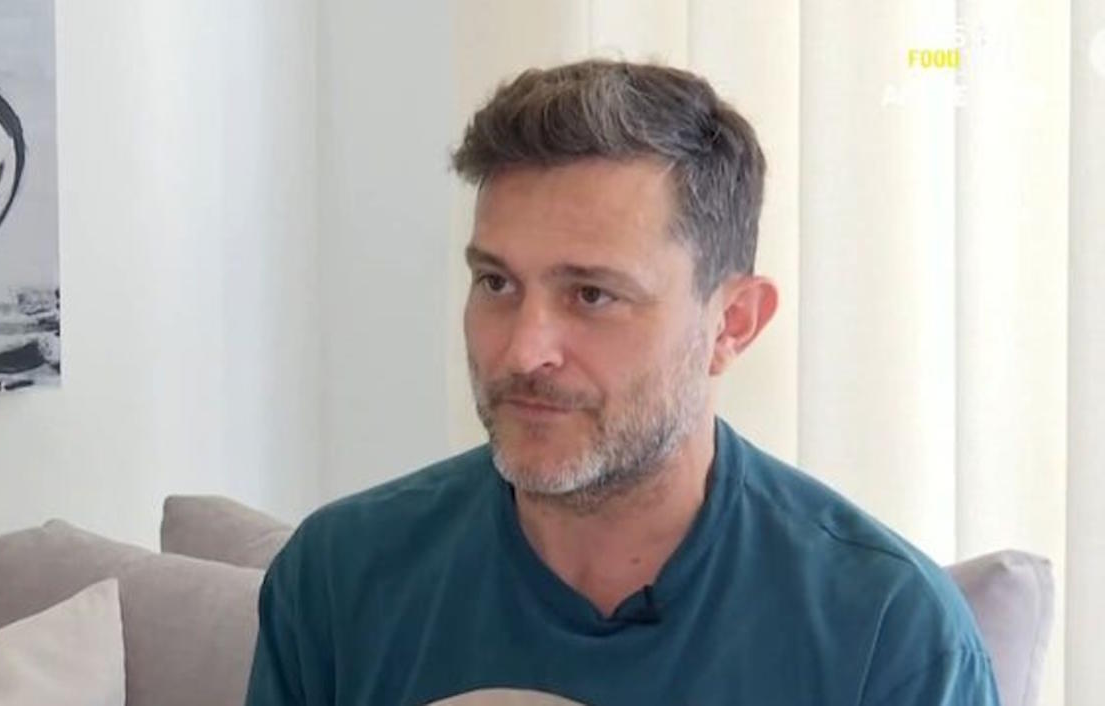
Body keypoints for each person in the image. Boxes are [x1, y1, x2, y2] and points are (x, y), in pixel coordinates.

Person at [245, 60, 1000, 706]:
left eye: (592, 295)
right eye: (497, 283)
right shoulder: (339, 581)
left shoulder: (888, 636)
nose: (523, 351)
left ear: (733, 324)